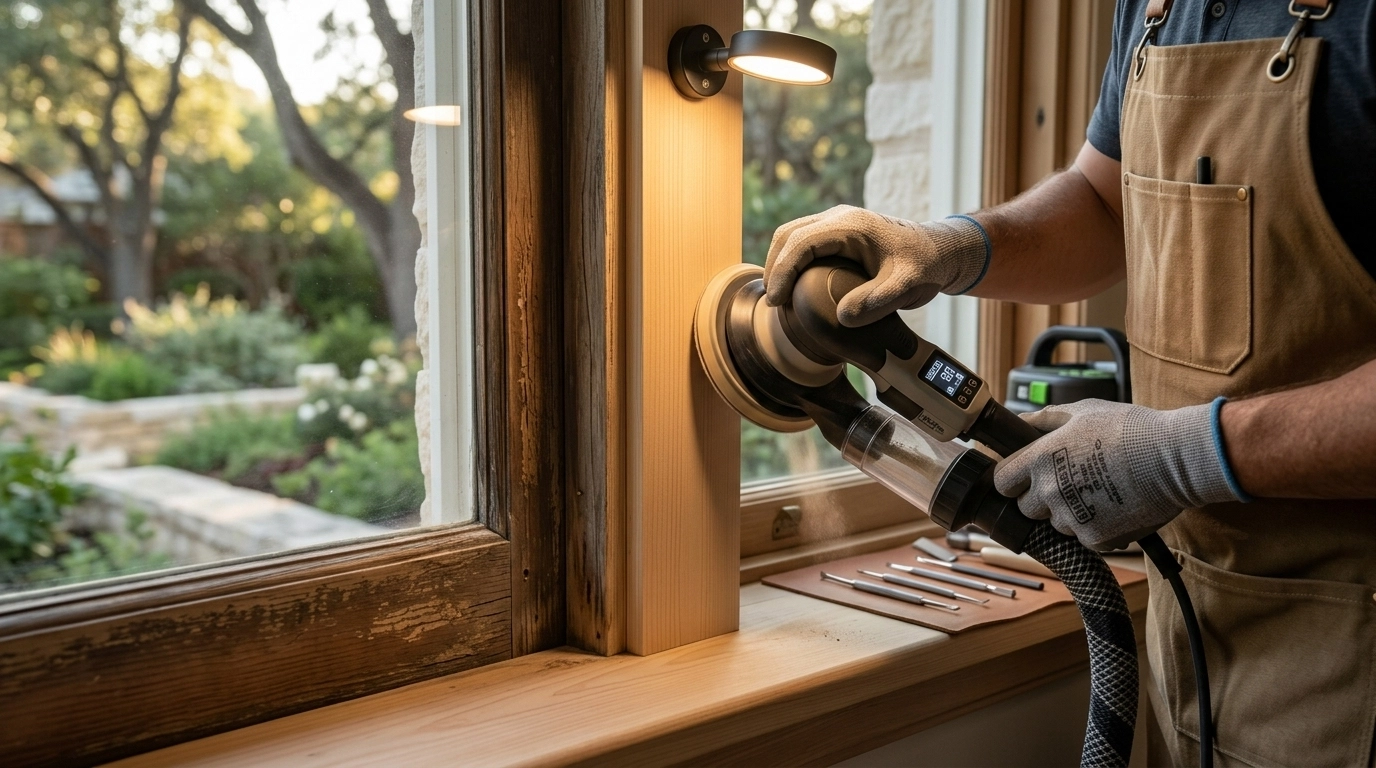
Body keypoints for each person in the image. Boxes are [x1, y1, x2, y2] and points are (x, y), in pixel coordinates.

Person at [763, 1, 1376, 765]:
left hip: (1354, 656)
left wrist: (1186, 455)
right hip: (1203, 639)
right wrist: (952, 246)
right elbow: (1103, 200)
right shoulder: (1156, 8)